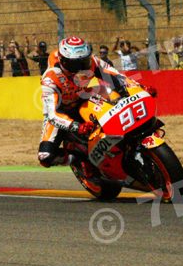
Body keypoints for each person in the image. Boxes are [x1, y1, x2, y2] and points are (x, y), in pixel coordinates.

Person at [38, 36, 158, 168]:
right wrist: (76, 126)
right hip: (61, 111)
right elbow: (52, 114)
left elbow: (116, 75)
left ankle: (128, 139)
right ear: (63, 62)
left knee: (111, 89)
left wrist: (139, 88)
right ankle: (77, 160)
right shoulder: (50, 79)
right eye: (75, 64)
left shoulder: (92, 61)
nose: (81, 68)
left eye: (84, 62)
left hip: (83, 97)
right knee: (45, 157)